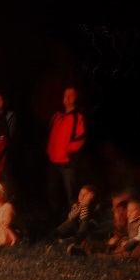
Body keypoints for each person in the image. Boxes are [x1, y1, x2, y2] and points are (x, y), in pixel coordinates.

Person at [46, 85, 87, 227]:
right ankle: (56, 222)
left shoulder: (78, 117)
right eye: (65, 95)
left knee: (71, 194)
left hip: (68, 162)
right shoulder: (57, 117)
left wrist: (68, 150)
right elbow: (51, 136)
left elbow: (81, 137)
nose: (68, 97)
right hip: (54, 161)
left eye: (71, 95)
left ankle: (75, 224)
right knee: (53, 192)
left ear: (77, 98)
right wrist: (50, 152)